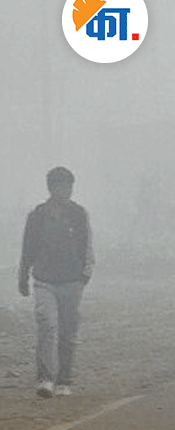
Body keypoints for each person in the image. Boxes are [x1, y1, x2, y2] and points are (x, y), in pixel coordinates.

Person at [18, 166, 94, 398]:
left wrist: (85, 274)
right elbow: (28, 248)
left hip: (72, 281)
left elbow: (87, 245)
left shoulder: (78, 214)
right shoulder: (37, 216)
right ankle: (45, 378)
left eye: (69, 186)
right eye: (61, 186)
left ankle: (64, 380)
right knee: (47, 325)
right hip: (44, 281)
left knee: (67, 332)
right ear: (51, 188)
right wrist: (23, 276)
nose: (66, 191)